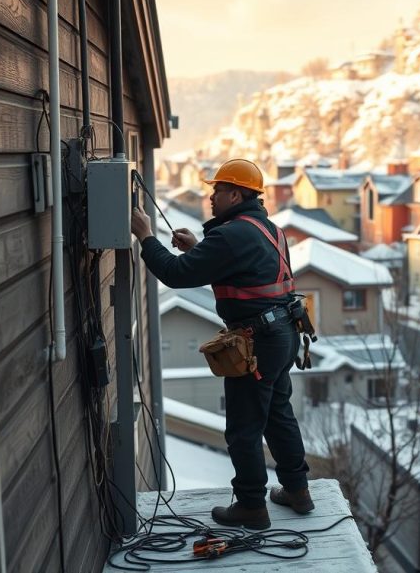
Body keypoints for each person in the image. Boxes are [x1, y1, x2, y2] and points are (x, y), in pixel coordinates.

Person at [130, 158, 312, 530]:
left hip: (259, 340)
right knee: (278, 415)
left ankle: (251, 506)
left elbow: (176, 274)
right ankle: (297, 490)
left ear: (235, 193)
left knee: (243, 428)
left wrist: (145, 236)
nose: (211, 197)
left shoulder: (231, 235)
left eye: (217, 190)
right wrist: (198, 248)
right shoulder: (266, 228)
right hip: (283, 334)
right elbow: (242, 268)